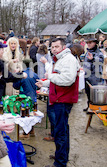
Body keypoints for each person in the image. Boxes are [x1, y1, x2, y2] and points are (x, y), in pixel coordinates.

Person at [36, 38, 80, 167]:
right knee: (61, 130)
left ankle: (60, 163)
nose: (54, 49)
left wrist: (50, 76)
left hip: (63, 100)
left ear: (63, 47)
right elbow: (58, 78)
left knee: (61, 132)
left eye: (56, 46)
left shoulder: (69, 59)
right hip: (58, 98)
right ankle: (61, 156)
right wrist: (44, 83)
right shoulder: (60, 58)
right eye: (52, 47)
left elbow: (68, 79)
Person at [13, 59, 39, 138]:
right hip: (33, 96)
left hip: (23, 97)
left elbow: (16, 86)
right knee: (31, 114)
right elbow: (38, 86)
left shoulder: (21, 75)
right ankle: (32, 131)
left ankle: (25, 133)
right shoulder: (35, 74)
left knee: (24, 115)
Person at [83, 38, 104, 111]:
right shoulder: (87, 52)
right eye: (87, 42)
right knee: (88, 92)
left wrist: (93, 59)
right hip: (87, 76)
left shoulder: (99, 52)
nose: (88, 44)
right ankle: (89, 105)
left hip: (95, 77)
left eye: (90, 42)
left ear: (95, 43)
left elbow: (100, 62)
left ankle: (95, 107)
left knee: (95, 93)